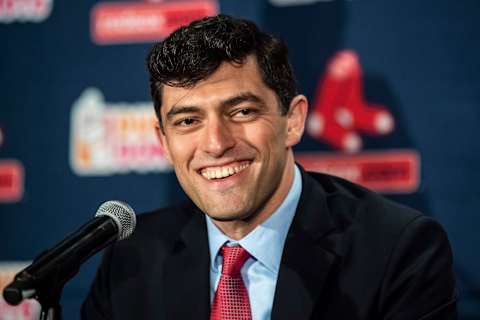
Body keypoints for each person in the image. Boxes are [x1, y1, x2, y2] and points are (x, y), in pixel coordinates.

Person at [82, 14, 457, 320]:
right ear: (164, 141)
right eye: (188, 121)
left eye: (242, 111)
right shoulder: (131, 259)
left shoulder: (397, 249)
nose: (216, 143)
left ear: (292, 121)